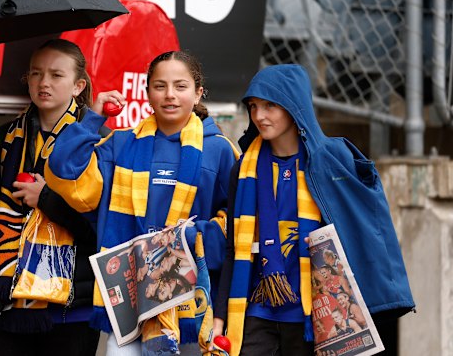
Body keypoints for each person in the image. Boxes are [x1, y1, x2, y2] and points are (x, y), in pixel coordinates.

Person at [44, 50, 239, 355]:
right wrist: (94, 117)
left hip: (191, 303)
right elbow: (62, 169)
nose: (169, 95)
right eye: (159, 86)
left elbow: (237, 223)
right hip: (129, 298)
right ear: (147, 91)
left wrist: (189, 238)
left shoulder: (220, 150)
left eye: (180, 86)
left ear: (199, 92)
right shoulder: (121, 144)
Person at [212, 64, 415, 356]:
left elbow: (362, 226)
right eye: (253, 106)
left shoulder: (328, 161)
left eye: (270, 105)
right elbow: (233, 247)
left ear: (294, 105)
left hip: (314, 314)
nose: (259, 116)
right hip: (255, 311)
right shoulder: (242, 168)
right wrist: (220, 316)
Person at [0, 39, 106, 356]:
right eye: (35, 74)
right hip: (12, 302)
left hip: (73, 307)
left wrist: (45, 198)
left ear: (77, 85)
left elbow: (96, 230)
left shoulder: (96, 143)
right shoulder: (6, 137)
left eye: (56, 75)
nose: (43, 83)